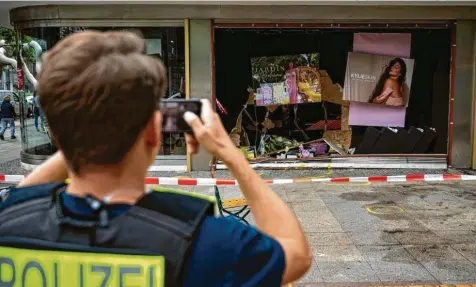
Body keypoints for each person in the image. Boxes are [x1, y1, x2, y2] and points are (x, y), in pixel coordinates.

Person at [0, 31, 311, 286]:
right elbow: (296, 255)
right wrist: (231, 155)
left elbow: (20, 197)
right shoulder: (207, 243)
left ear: (54, 130)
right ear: (153, 130)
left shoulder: (11, 223)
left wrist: (78, 135)